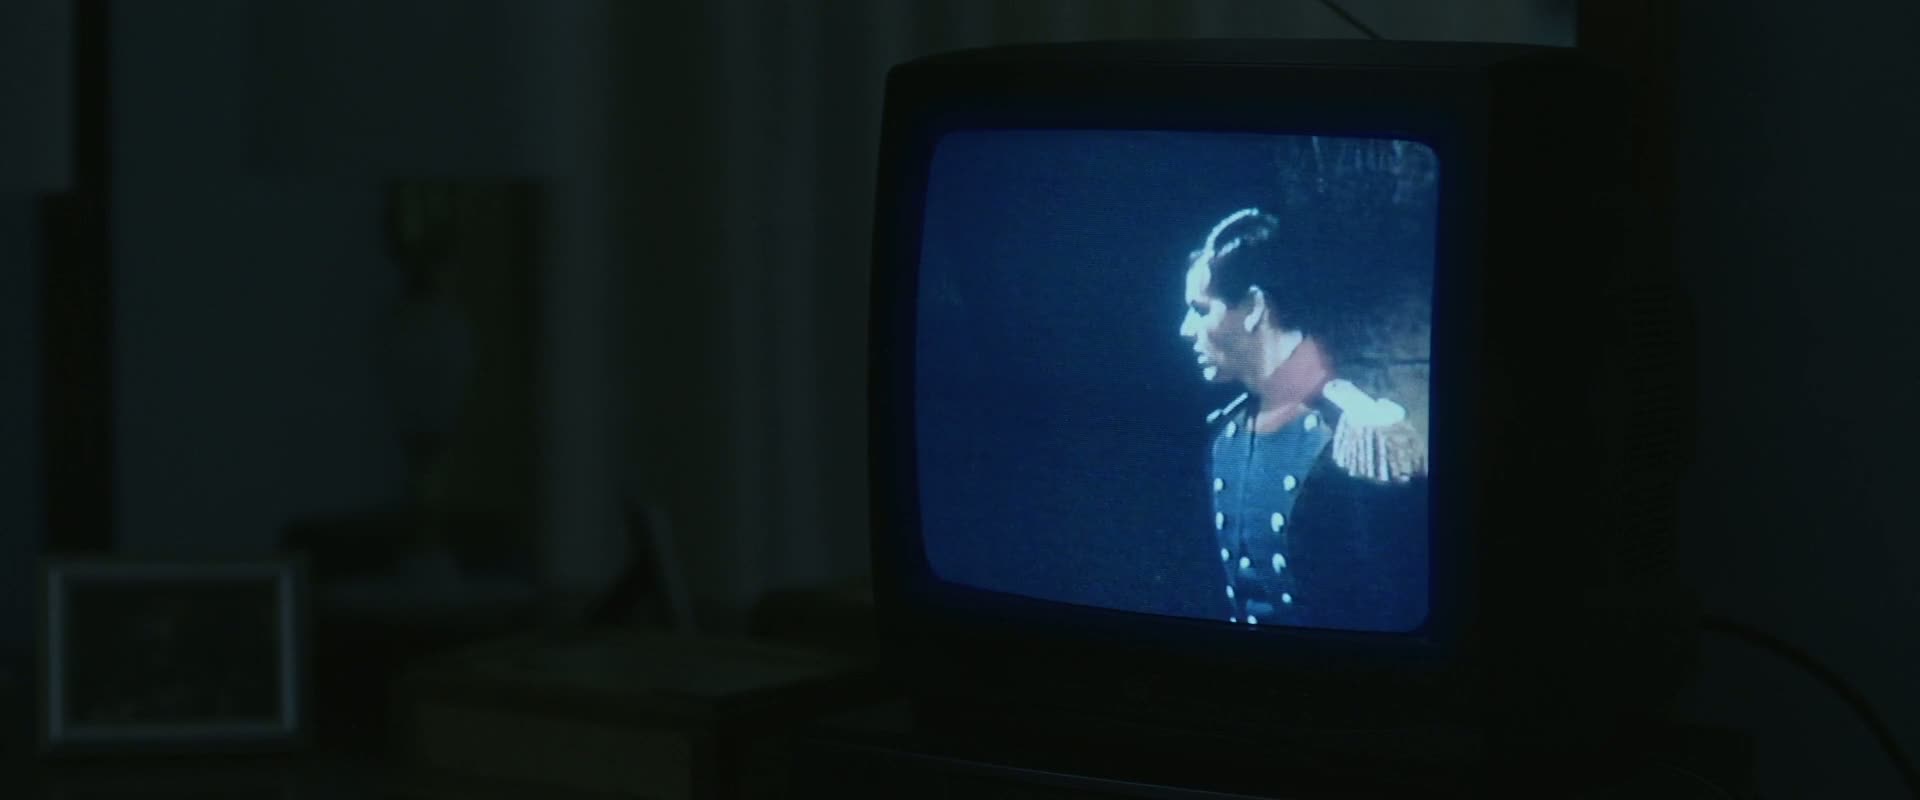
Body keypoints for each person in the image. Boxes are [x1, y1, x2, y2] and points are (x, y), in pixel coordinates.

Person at [1178, 208, 1429, 632]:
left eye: (1201, 309)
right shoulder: (1226, 435)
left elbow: (1394, 606)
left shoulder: (1359, 437)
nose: (1186, 330)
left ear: (1255, 308)